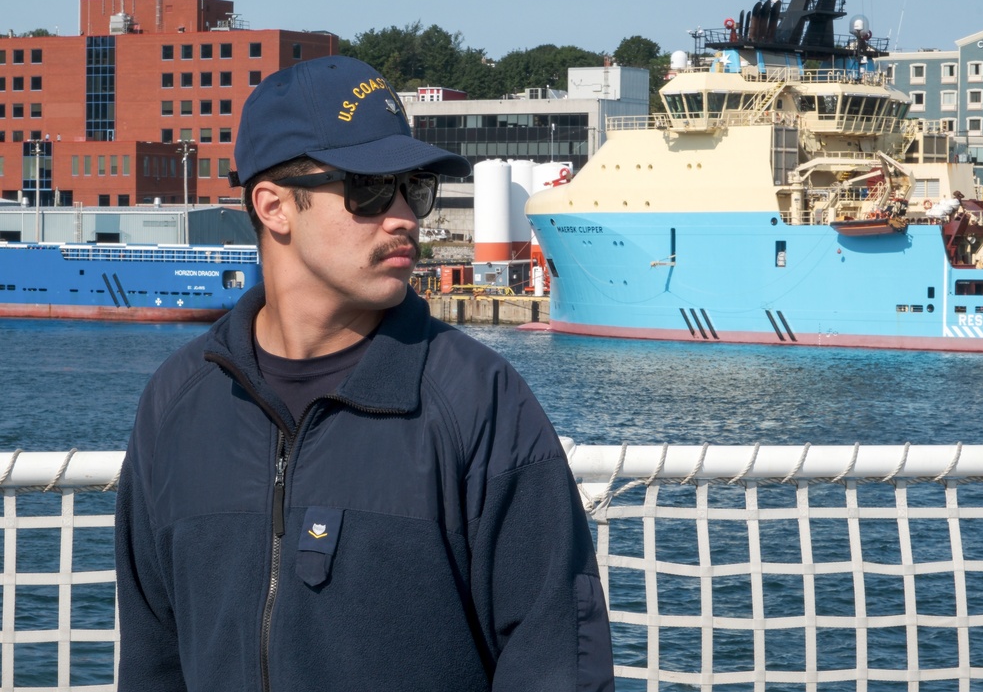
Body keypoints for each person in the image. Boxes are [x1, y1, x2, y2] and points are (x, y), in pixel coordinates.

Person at [115, 54, 615, 691]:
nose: (405, 216)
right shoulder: (179, 403)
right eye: (370, 189)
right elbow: (153, 659)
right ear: (273, 206)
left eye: (416, 189)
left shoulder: (479, 401)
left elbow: (553, 660)